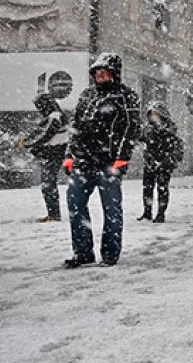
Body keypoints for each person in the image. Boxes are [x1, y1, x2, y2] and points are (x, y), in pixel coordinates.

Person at [63, 52, 141, 268]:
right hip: (82, 162)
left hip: (109, 164)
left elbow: (131, 128)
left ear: (114, 73)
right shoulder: (87, 95)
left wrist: (122, 158)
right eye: (97, 71)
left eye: (104, 71)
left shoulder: (126, 96)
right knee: (75, 205)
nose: (100, 75)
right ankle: (82, 252)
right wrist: (69, 155)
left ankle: (109, 254)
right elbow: (76, 127)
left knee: (112, 210)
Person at [23, 92, 70, 222]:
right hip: (54, 153)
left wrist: (29, 143)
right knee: (48, 184)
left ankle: (54, 215)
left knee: (48, 185)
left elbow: (45, 135)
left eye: (39, 106)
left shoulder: (55, 116)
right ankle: (53, 214)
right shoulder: (55, 115)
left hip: (53, 154)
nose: (38, 109)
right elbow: (41, 132)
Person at [138, 101, 183, 223]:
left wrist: (166, 161)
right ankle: (147, 213)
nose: (153, 116)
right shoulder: (147, 129)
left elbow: (175, 148)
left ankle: (160, 214)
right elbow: (141, 140)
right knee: (147, 188)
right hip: (150, 163)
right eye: (151, 114)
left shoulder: (170, 130)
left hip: (164, 164)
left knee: (162, 188)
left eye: (155, 114)